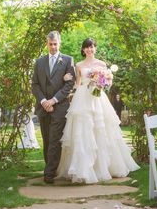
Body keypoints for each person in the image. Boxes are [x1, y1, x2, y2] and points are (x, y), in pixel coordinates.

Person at [57, 38, 139, 184]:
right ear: (83, 50)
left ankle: (103, 167)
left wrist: (105, 81)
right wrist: (65, 80)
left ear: (95, 48)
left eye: (92, 47)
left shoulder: (101, 64)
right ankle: (82, 168)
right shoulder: (79, 65)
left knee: (101, 130)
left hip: (98, 98)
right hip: (82, 98)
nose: (89, 50)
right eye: (86, 47)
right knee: (82, 131)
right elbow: (77, 84)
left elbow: (108, 82)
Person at [31, 31, 75, 183]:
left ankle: (48, 174)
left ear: (59, 43)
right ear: (47, 44)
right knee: (47, 140)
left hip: (60, 107)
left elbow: (69, 84)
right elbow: (35, 85)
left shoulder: (68, 60)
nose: (53, 47)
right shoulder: (39, 62)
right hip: (43, 108)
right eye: (50, 44)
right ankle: (51, 167)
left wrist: (53, 100)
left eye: (55, 44)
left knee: (55, 139)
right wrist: (44, 101)